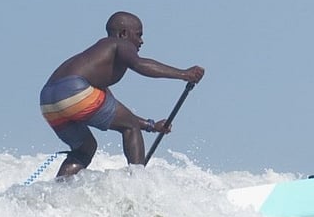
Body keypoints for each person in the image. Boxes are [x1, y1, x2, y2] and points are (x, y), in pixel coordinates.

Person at [40, 11, 205, 178]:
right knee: (130, 127)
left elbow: (117, 111)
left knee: (85, 149)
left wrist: (150, 125)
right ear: (123, 33)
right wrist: (184, 74)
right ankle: (138, 182)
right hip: (75, 90)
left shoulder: (95, 60)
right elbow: (140, 65)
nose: (141, 41)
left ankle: (58, 194)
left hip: (48, 101)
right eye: (138, 35)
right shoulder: (119, 44)